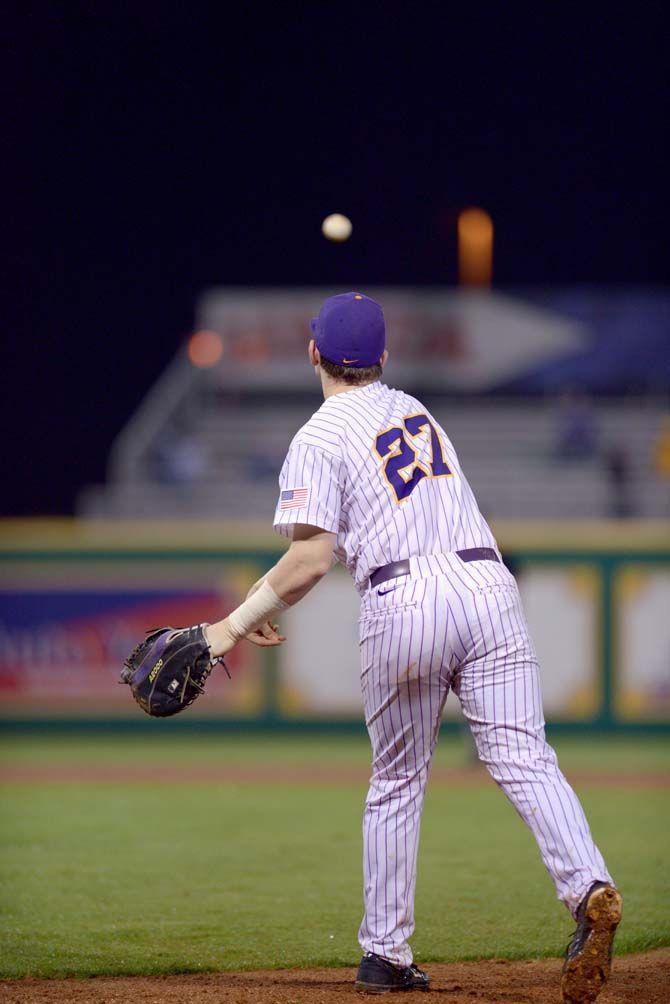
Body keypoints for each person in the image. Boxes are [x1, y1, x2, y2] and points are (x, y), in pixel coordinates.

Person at [204, 292, 622, 1002]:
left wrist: (230, 626)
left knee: (398, 782)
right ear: (384, 359)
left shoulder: (320, 432)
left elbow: (309, 561)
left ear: (314, 354)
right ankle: (588, 886)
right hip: (488, 586)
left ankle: (386, 954)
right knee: (525, 758)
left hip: (405, 598)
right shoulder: (417, 412)